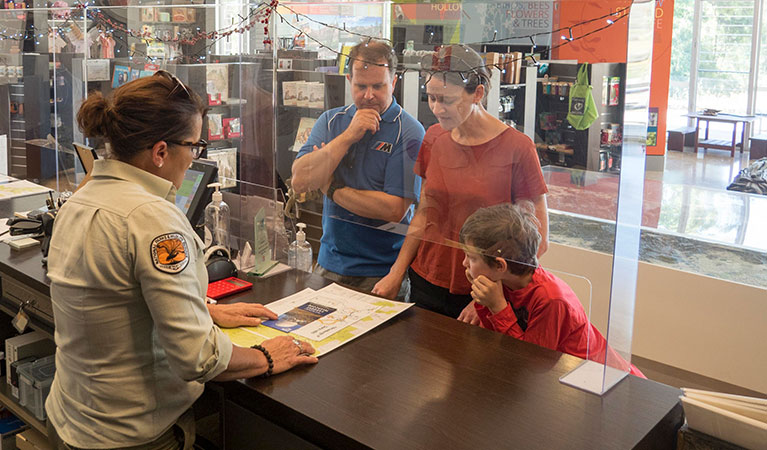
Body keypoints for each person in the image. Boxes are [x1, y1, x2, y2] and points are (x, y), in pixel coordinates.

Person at [45, 72, 318, 449]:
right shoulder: (153, 220)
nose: (194, 158)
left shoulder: (81, 197)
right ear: (160, 152)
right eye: (194, 146)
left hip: (69, 418)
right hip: (129, 436)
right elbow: (199, 358)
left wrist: (200, 312)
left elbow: (112, 301)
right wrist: (265, 358)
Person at [373, 45, 549, 320]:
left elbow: (537, 243)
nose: (436, 108)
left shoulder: (518, 148)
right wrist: (396, 273)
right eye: (431, 97)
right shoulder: (433, 137)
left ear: (477, 93)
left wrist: (487, 296)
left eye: (447, 100)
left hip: (483, 290)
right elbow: (424, 215)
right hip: (426, 278)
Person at [291, 40, 425, 293]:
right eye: (361, 86)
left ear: (394, 82)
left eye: (378, 86)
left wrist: (330, 187)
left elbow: (393, 209)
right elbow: (300, 181)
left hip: (381, 272)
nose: (369, 95)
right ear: (348, 81)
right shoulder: (332, 121)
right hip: (327, 262)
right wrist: (349, 136)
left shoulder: (409, 132)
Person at [459, 203, 645, 377]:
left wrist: (498, 307)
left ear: (500, 266)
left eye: (471, 257)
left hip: (602, 377)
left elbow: (531, 362)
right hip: (562, 374)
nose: (464, 263)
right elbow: (498, 340)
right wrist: (483, 300)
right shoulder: (504, 282)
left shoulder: (550, 299)